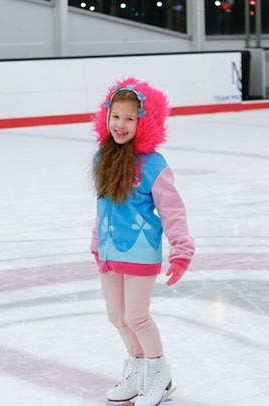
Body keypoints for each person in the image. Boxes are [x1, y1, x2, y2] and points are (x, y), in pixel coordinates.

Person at [90, 77, 195, 406]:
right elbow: (103, 206)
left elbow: (173, 211)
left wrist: (181, 251)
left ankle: (159, 374)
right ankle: (136, 369)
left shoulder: (153, 166)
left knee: (137, 316)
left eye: (129, 118)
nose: (120, 125)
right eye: (115, 116)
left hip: (140, 253)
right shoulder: (102, 158)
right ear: (106, 117)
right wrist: (96, 243)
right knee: (117, 317)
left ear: (143, 122)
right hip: (108, 253)